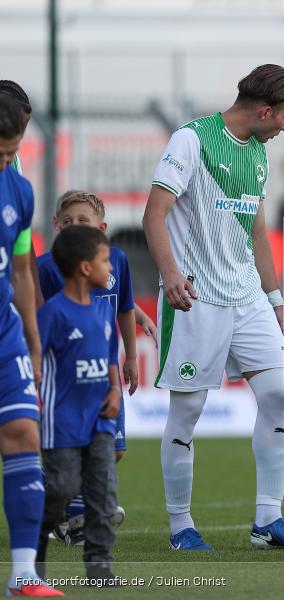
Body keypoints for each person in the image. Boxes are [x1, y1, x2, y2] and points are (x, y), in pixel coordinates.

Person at [143, 64, 284, 551]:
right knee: (188, 411)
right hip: (196, 296)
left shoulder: (259, 154)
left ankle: (268, 519)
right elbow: (153, 213)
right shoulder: (191, 140)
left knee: (278, 395)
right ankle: (181, 526)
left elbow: (257, 232)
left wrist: (275, 300)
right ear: (264, 111)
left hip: (246, 296)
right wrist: (172, 275)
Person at [37, 190, 155, 545]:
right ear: (57, 225)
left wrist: (131, 357)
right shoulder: (48, 266)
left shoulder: (115, 261)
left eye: (83, 221)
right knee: (74, 453)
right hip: (69, 380)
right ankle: (77, 512)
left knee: (113, 449)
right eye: (68, 221)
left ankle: (70, 509)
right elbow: (44, 315)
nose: (74, 226)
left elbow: (121, 306)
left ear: (102, 228)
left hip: (107, 373)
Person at [0, 94, 63, 597]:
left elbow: (22, 269)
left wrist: (33, 336)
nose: (5, 161)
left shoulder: (19, 190)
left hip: (5, 333)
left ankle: (24, 575)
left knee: (23, 432)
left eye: (11, 152)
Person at [35, 226, 121, 586]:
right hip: (63, 421)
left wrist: (115, 387)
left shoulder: (102, 312)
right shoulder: (53, 313)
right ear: (85, 268)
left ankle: (99, 566)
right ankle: (35, 542)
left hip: (99, 419)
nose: (111, 269)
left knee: (103, 492)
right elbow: (36, 361)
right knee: (61, 487)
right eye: (105, 261)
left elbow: (110, 352)